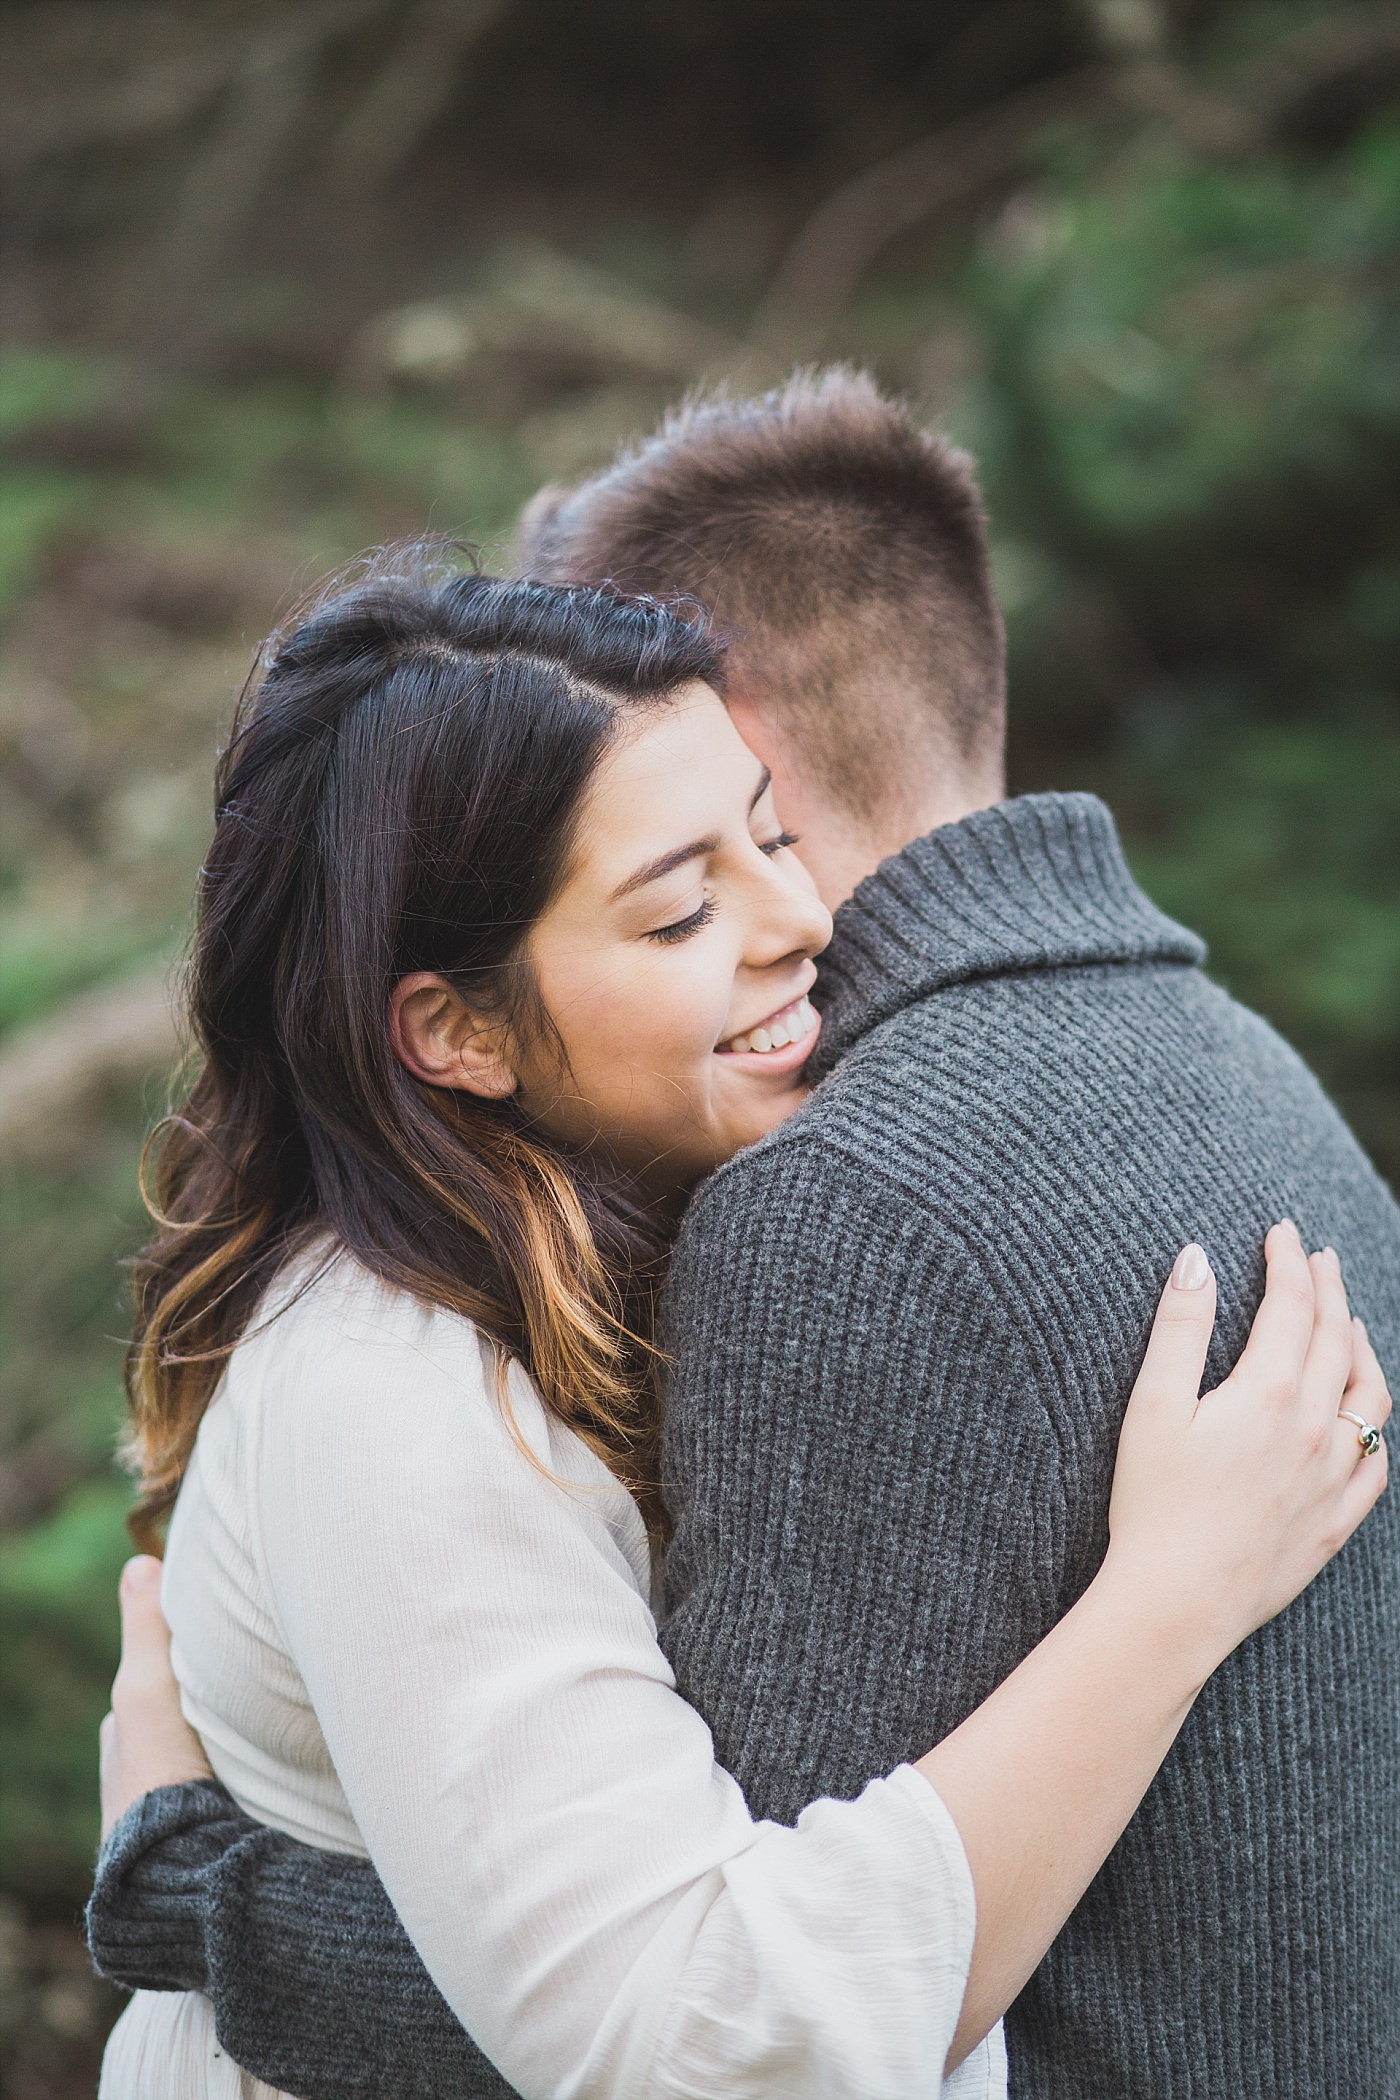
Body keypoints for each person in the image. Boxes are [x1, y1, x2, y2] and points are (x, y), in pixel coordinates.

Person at [89, 376, 1400, 2097]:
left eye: (770, 835)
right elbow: (721, 2031)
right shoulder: (395, 1366)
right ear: (455, 1030)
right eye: (685, 895)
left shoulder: (758, 1224)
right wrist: (1170, 1594)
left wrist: (212, 1898)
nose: (801, 923)